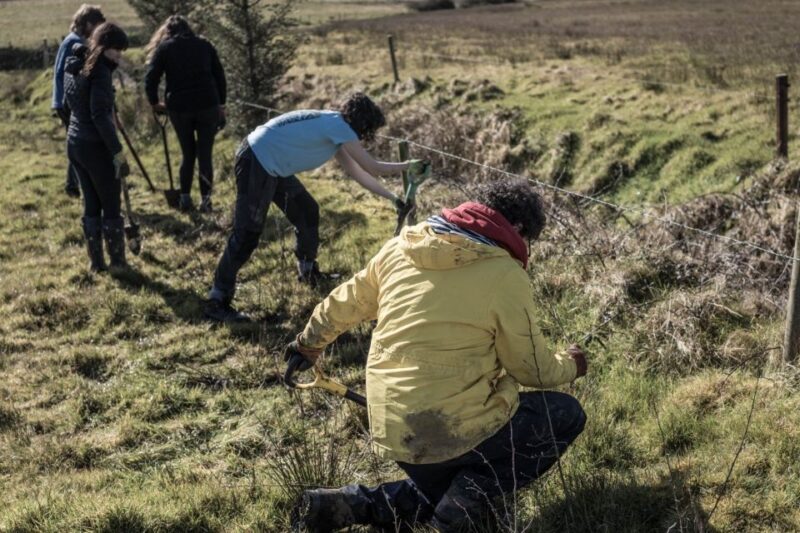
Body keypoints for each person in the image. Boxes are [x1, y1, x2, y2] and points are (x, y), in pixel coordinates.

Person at [285, 179, 588, 533]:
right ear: (518, 228)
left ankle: (352, 504)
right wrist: (572, 364)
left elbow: (346, 300)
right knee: (565, 414)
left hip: (392, 428)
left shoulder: (401, 247)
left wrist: (309, 343)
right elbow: (533, 369)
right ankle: (457, 512)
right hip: (450, 427)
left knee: (445, 482)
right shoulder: (504, 275)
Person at [203, 92, 429, 323]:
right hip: (257, 160)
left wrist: (392, 198)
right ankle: (217, 300)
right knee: (247, 234)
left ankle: (308, 271)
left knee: (307, 211)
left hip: (269, 161)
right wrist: (408, 166)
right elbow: (373, 167)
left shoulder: (334, 127)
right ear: (364, 123)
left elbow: (359, 173)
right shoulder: (341, 128)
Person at [63, 22, 130, 272]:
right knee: (111, 204)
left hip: (75, 142)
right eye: (116, 50)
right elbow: (100, 115)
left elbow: (72, 105)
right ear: (103, 47)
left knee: (91, 203)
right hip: (96, 147)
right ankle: (118, 264)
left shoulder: (76, 66)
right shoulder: (100, 72)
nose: (119, 55)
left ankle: (96, 263)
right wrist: (117, 152)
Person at [145, 15, 226, 213]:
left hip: (179, 107)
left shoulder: (165, 48)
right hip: (208, 104)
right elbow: (220, 76)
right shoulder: (205, 45)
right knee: (205, 154)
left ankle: (185, 199)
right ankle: (206, 201)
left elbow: (151, 78)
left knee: (187, 153)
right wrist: (221, 104)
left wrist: (155, 102)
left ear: (168, 32)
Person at [51, 3, 106, 198]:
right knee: (78, 144)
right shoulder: (74, 43)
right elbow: (67, 74)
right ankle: (74, 185)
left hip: (67, 100)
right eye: (97, 26)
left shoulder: (73, 40)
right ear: (89, 23)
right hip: (69, 101)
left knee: (75, 143)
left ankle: (73, 184)